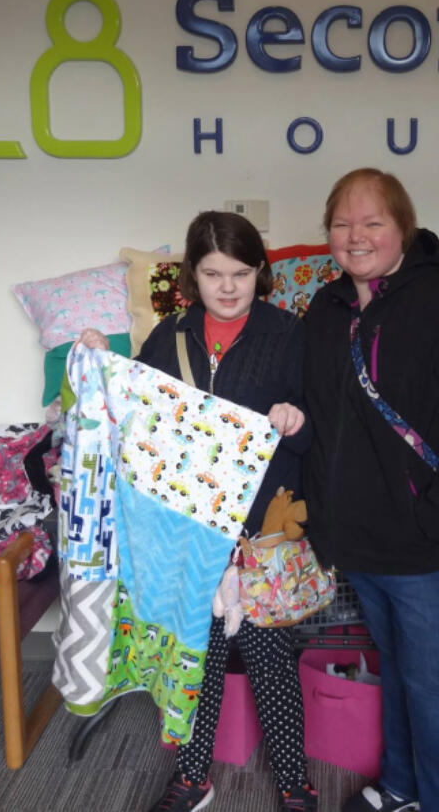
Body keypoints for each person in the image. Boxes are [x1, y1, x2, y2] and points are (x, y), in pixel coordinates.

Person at [80, 211, 316, 812]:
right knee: (195, 653)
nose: (228, 286)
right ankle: (192, 776)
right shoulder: (171, 335)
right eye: (213, 273)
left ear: (261, 273)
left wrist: (297, 423)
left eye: (241, 272)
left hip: (261, 531)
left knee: (269, 659)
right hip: (187, 528)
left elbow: (324, 433)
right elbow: (135, 421)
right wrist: (103, 366)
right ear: (193, 273)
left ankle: (294, 781)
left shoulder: (290, 335)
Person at [302, 169, 439, 812]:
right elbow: (315, 415)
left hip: (429, 547)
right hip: (359, 543)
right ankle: (401, 788)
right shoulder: (325, 311)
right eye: (342, 224)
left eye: (372, 222)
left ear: (404, 229)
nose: (356, 236)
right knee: (396, 673)